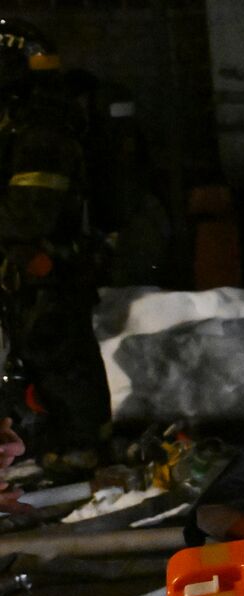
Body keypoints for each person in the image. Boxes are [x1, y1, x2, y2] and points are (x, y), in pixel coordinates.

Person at [0, 18, 112, 473]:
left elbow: (30, 210)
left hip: (50, 264)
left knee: (58, 353)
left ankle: (85, 448)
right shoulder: (24, 120)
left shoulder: (43, 128)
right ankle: (59, 444)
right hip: (30, 264)